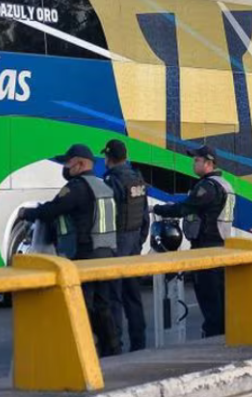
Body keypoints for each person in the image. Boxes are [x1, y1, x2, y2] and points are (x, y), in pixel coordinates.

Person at [18, 144, 121, 358]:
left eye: (68, 162)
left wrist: (26, 213)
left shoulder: (77, 187)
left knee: (83, 305)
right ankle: (112, 349)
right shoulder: (104, 186)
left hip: (85, 255)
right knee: (103, 305)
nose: (65, 167)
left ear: (80, 164)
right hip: (107, 254)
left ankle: (84, 353)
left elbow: (52, 210)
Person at [153, 146, 235, 338]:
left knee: (209, 299)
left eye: (196, 160)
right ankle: (223, 335)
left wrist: (157, 209)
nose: (193, 163)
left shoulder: (207, 187)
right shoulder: (225, 184)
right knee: (220, 299)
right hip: (221, 247)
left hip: (206, 248)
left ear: (208, 163)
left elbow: (184, 208)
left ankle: (214, 338)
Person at [101, 139, 150, 353]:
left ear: (109, 158)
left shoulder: (112, 180)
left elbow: (107, 217)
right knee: (133, 297)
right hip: (133, 245)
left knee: (114, 298)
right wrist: (138, 243)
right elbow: (145, 217)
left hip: (117, 244)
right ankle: (139, 344)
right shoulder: (137, 179)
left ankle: (115, 345)